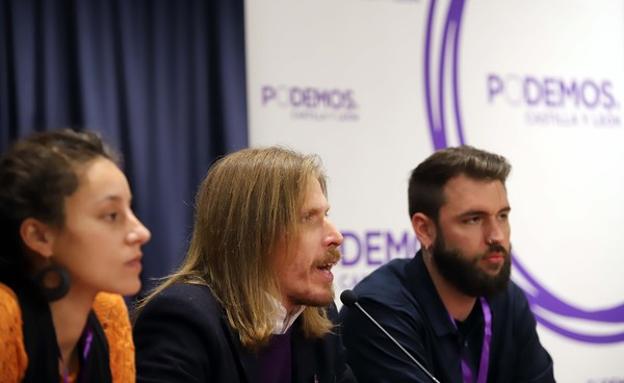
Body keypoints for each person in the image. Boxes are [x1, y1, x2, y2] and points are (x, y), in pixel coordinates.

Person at [133, 147, 356, 383]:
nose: (336, 236)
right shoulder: (184, 321)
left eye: (326, 215)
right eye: (309, 218)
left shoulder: (319, 316)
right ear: (255, 235)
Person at [339, 146, 554, 382]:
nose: (497, 236)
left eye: (502, 216)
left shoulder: (508, 299)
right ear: (425, 230)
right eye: (474, 219)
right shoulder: (378, 312)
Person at [0, 129, 151, 382]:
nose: (142, 232)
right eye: (111, 215)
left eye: (130, 209)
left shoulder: (108, 311)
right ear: (39, 237)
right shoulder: (4, 315)